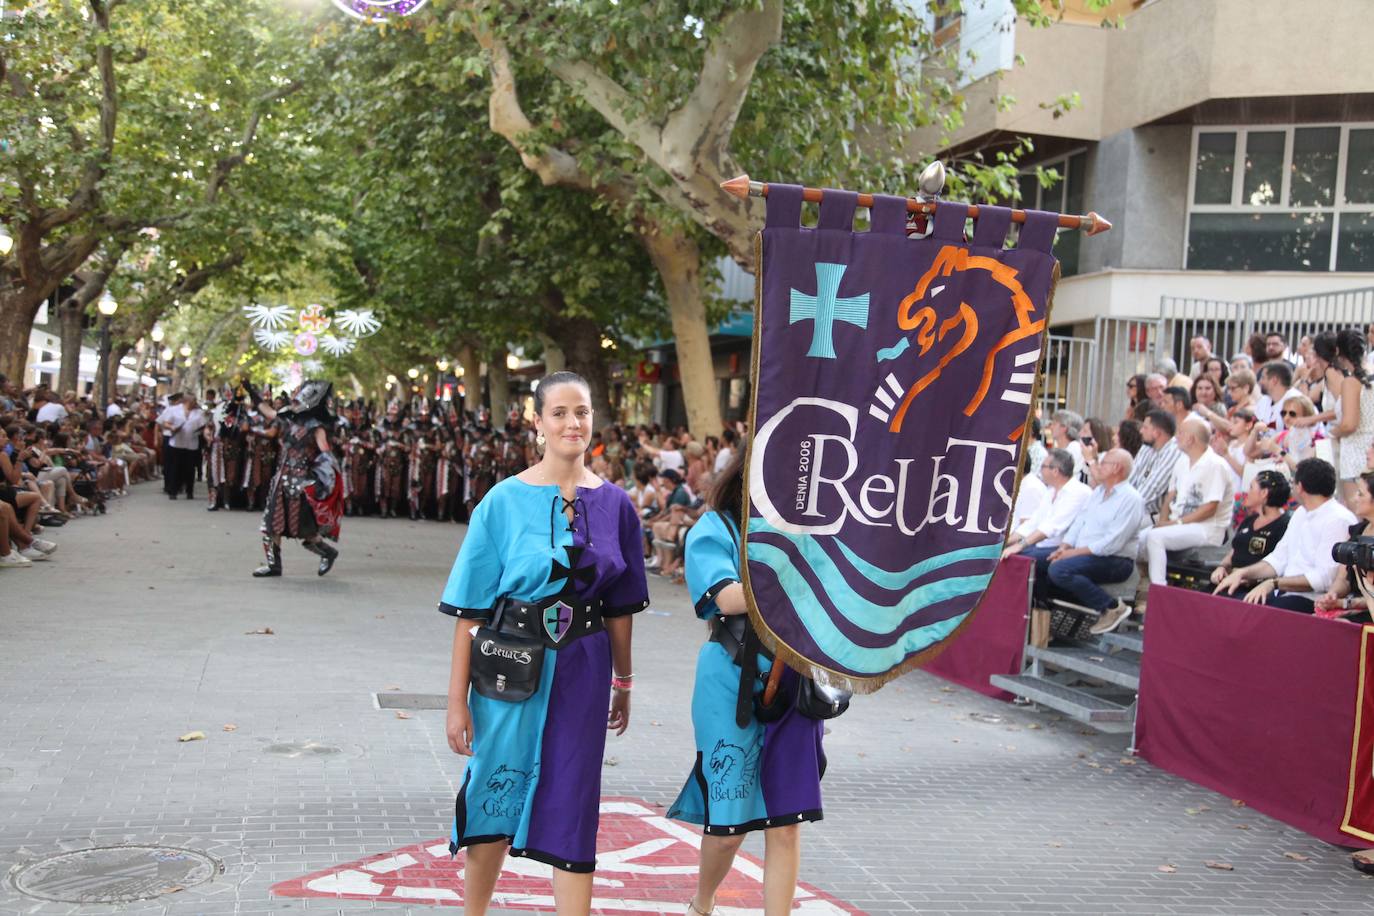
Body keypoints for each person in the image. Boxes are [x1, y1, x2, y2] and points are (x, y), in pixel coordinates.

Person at [439, 371, 647, 914]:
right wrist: (455, 701)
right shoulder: (501, 503)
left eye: (581, 411)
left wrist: (623, 682)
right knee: (494, 791)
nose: (572, 423)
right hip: (508, 667)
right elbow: (469, 613)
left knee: (574, 799)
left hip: (584, 666)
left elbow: (621, 610)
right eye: (558, 412)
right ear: (537, 422)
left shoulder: (618, 506)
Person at [667, 448, 825, 916]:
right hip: (728, 679)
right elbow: (725, 597)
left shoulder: (815, 532)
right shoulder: (717, 527)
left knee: (786, 821)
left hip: (796, 680)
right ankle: (702, 903)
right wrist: (789, 572)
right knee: (729, 823)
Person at [1213, 458, 1355, 613]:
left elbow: (1324, 578)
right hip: (1283, 592)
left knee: (1250, 614)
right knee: (1224, 598)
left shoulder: (1338, 519)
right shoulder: (1301, 512)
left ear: (1300, 487)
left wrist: (1274, 583)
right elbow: (1278, 559)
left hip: (1310, 599)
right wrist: (1242, 573)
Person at [1031, 449, 1146, 635]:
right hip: (1084, 553)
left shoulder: (1131, 499)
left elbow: (1112, 543)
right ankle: (1046, 622)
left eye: (1103, 463)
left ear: (1117, 468)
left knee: (1059, 569)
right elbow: (1079, 522)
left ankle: (1111, 607)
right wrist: (1064, 546)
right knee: (1033, 561)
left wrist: (1071, 553)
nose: (1097, 467)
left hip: (1115, 560)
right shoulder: (1098, 492)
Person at [245, 379, 342, 577]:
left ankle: (328, 553)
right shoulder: (288, 419)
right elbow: (270, 413)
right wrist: (252, 392)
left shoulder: (317, 428)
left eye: (298, 401)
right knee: (272, 524)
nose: (295, 403)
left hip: (302, 484)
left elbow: (326, 455)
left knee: (305, 531)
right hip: (281, 479)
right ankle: (274, 566)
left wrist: (321, 481)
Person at [1141, 418, 1234, 585]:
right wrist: (1163, 522)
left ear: (1191, 439)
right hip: (1179, 525)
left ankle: (1159, 590)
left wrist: (1173, 523)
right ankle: (1143, 589)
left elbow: (1210, 508)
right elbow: (1170, 496)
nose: (1176, 437)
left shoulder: (1215, 465)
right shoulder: (1182, 461)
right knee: (1137, 541)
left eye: (1180, 433)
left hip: (1207, 529)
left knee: (1155, 537)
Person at [1001, 448, 1090, 562]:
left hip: (1062, 548)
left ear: (1055, 471)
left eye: (1043, 466)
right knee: (1004, 553)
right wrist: (1005, 542)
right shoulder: (1051, 491)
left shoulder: (1078, 492)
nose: (1039, 470)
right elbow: (1033, 522)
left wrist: (1020, 545)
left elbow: (1051, 527)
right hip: (1041, 545)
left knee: (1013, 558)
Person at [1209, 470, 1292, 588]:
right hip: (1230, 579)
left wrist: (1251, 579)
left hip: (1255, 588)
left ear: (1264, 493)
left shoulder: (1284, 525)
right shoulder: (1250, 520)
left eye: (1251, 487)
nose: (1246, 493)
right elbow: (1234, 551)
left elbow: (1280, 563)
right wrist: (1221, 567)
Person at [1316, 470, 1374, 623]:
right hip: (1353, 604)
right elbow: (1343, 578)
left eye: (1360, 494)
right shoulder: (1357, 531)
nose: (1354, 498)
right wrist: (1332, 594)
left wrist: (1346, 603)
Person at [1127, 410, 1180, 519]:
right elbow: (1130, 479)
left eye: (1145, 428)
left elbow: (1153, 487)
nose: (1141, 431)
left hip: (1154, 515)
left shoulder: (1174, 450)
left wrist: (1124, 507)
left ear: (1157, 433)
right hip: (1134, 508)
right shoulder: (1146, 446)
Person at [1254, 361, 1300, 432]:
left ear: (1274, 380)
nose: (1260, 382)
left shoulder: (1296, 400)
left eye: (1263, 378)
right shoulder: (1264, 400)